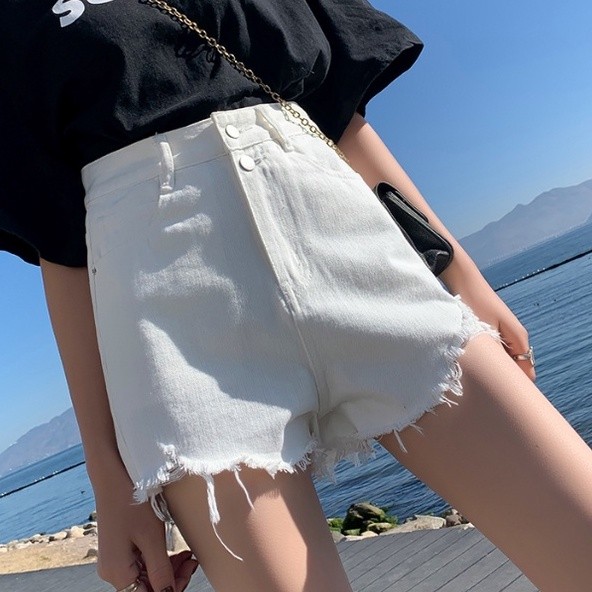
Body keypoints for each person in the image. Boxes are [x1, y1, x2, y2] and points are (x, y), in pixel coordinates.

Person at [2, 1, 591, 591]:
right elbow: (58, 237)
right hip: (180, 337)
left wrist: (464, 278)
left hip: (354, 252)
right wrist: (110, 480)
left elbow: (339, 116)